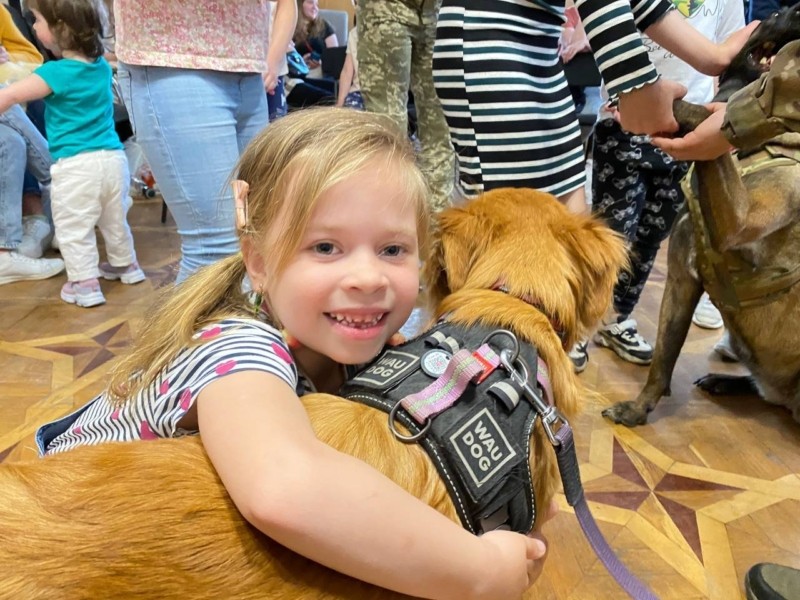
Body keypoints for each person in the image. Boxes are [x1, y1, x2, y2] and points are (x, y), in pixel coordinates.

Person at [36, 108, 549, 599]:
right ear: (258, 263)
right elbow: (284, 491)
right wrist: (478, 570)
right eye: (325, 248)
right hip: (66, 549)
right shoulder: (237, 347)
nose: (368, 278)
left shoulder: (339, 341)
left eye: (393, 249)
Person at [586, 0, 743, 368]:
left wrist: (720, 111)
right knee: (611, 233)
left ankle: (618, 319)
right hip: (623, 121)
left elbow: (729, 53)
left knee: (652, 235)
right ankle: (581, 322)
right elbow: (607, 28)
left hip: (689, 126)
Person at [114, 0, 296, 283]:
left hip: (248, 65)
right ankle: (193, 329)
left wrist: (271, 59)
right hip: (173, 56)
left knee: (252, 238)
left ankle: (240, 327)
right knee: (215, 250)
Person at [0, 0, 143, 307]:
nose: (34, 28)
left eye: (37, 21)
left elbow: (10, 95)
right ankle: (126, 265)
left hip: (76, 167)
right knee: (113, 219)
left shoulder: (54, 73)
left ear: (59, 30)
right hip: (113, 160)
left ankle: (84, 284)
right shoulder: (101, 66)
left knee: (72, 228)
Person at [357, 0, 455, 213]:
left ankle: (436, 229)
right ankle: (391, 222)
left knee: (441, 129)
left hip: (438, 12)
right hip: (385, 8)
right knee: (387, 130)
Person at [286, 0, 338, 108]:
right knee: (327, 97)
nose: (315, 7)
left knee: (338, 90)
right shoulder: (289, 26)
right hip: (298, 76)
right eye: (310, 2)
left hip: (322, 74)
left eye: (317, 4)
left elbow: (335, 58)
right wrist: (301, 61)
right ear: (300, 4)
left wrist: (322, 62)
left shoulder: (324, 26)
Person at [335, 2, 364, 110]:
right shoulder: (354, 34)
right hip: (358, 93)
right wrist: (340, 104)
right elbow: (347, 71)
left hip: (385, 95)